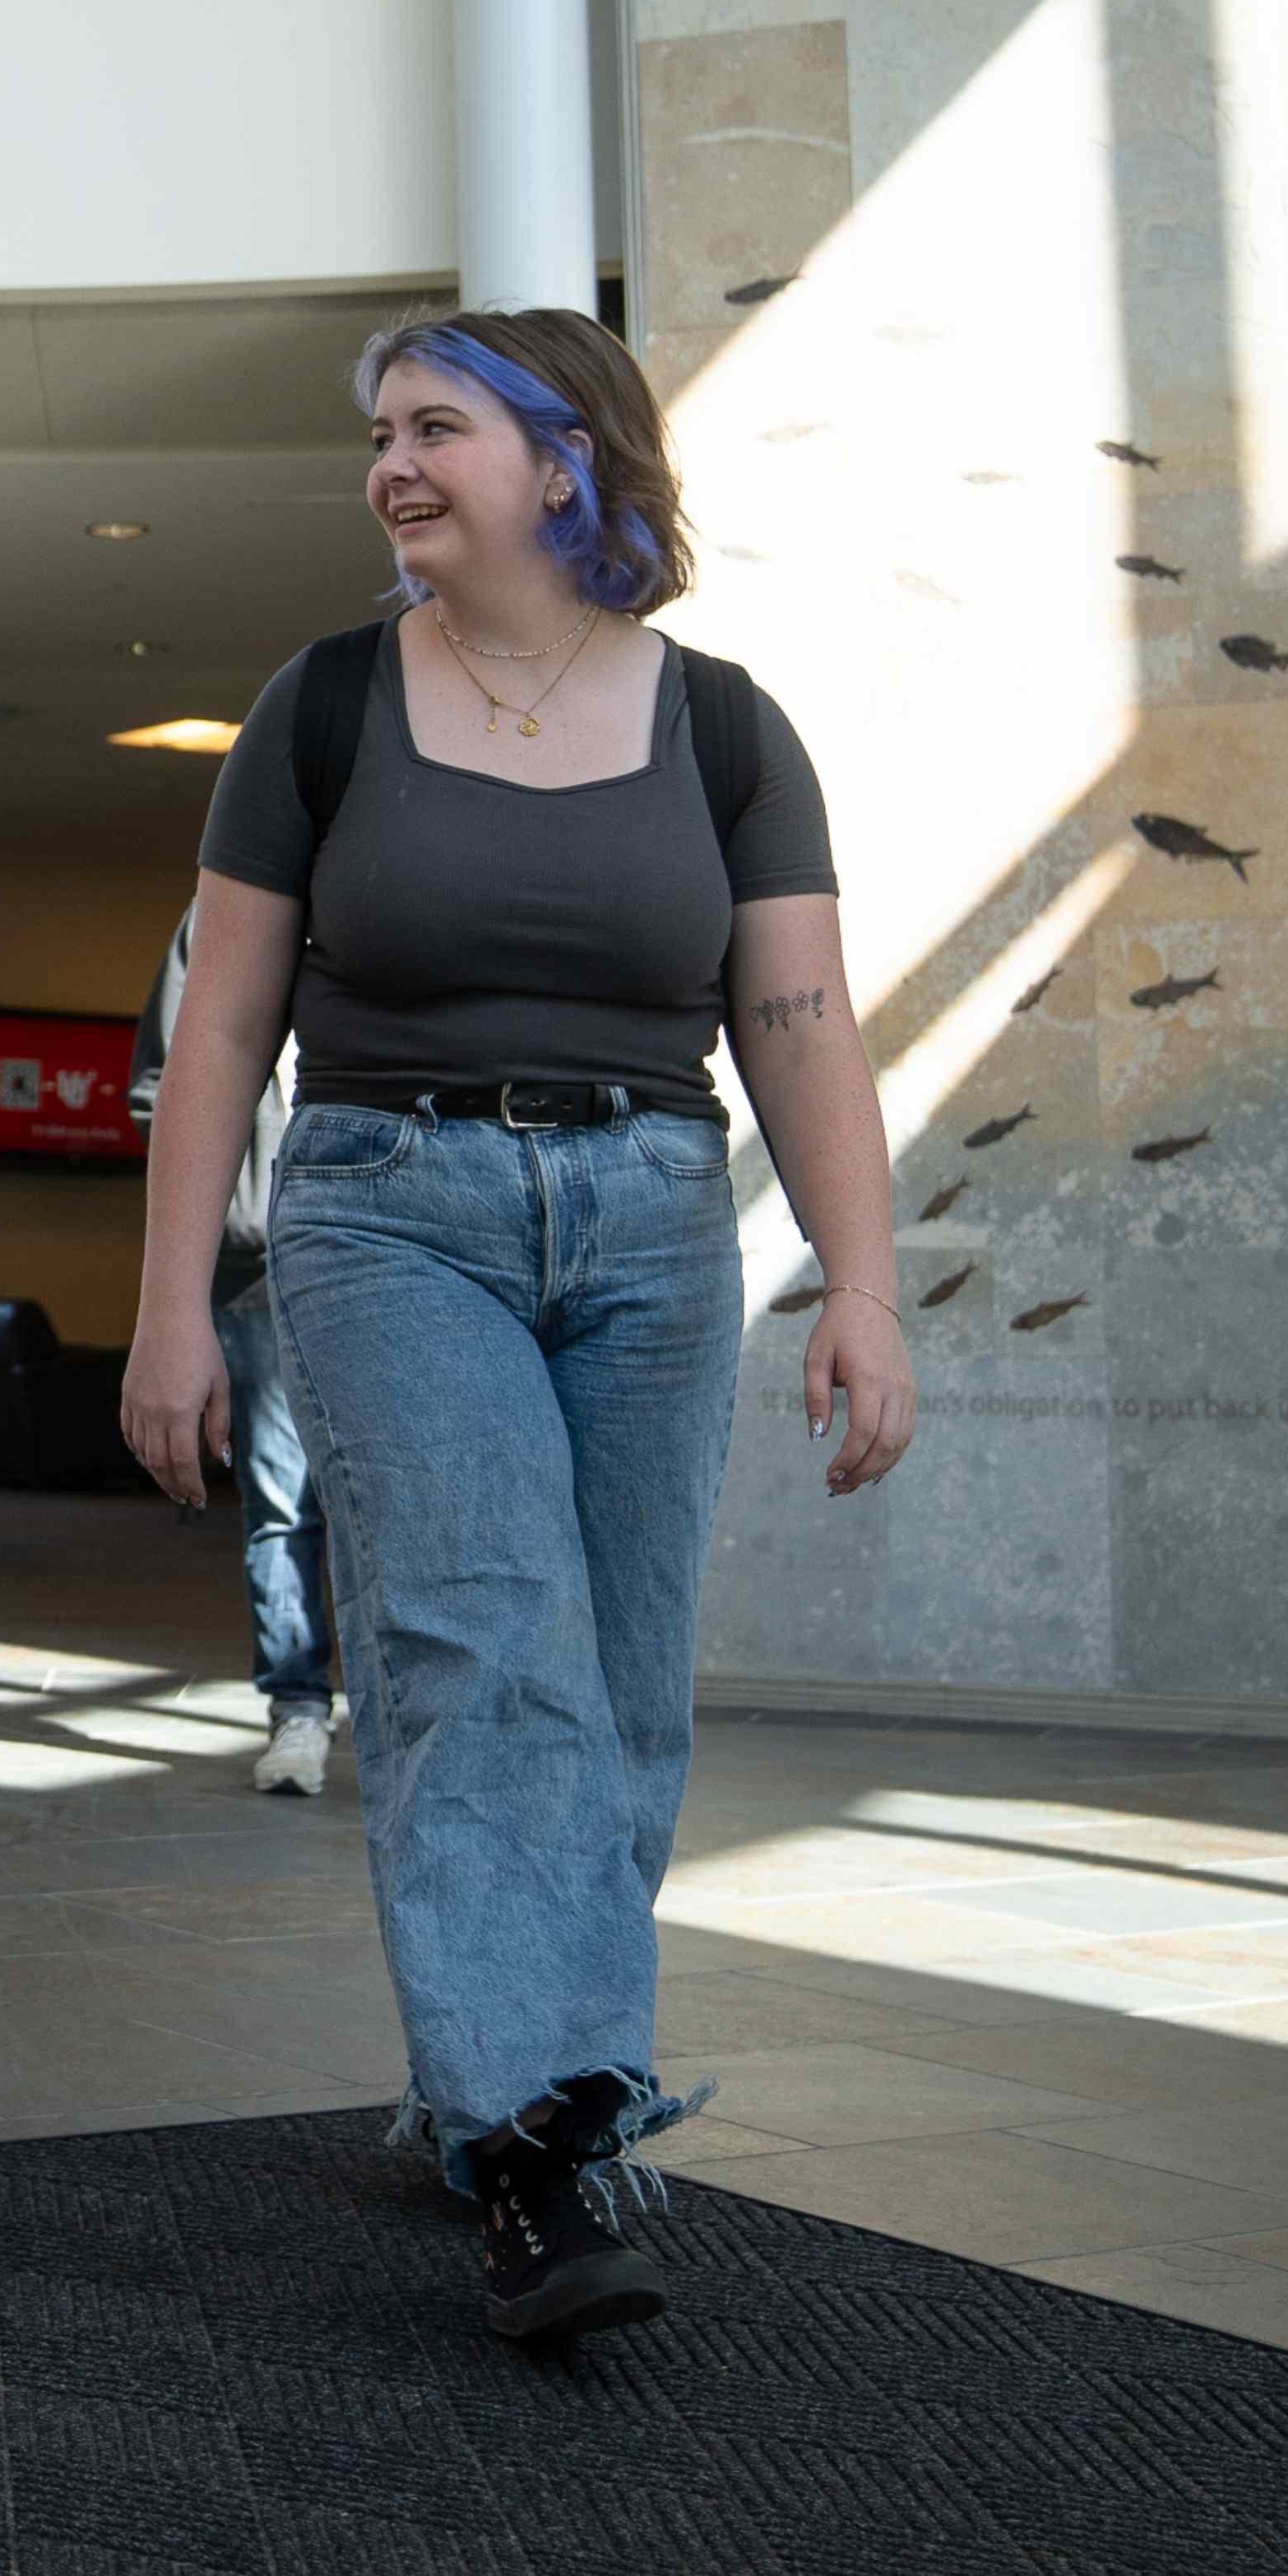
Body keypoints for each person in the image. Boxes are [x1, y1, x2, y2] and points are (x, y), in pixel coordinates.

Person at [123, 304, 915, 2346]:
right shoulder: (322, 707)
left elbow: (800, 1022)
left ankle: (500, 2070)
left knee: (626, 1686)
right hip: (390, 1210)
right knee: (480, 1644)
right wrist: (168, 1314)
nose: (391, 463)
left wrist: (864, 1281)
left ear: (565, 456)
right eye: (380, 430)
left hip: (655, 1214)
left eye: (435, 424)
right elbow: (221, 1018)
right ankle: (545, 2147)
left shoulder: (726, 726)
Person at [133, 906, 331, 1796]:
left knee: (409, 1504)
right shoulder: (221, 914)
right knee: (282, 1498)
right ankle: (298, 1711)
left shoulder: (413, 868)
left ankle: (413, 1715)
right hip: (262, 1263)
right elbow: (161, 1085)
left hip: (407, 1250)